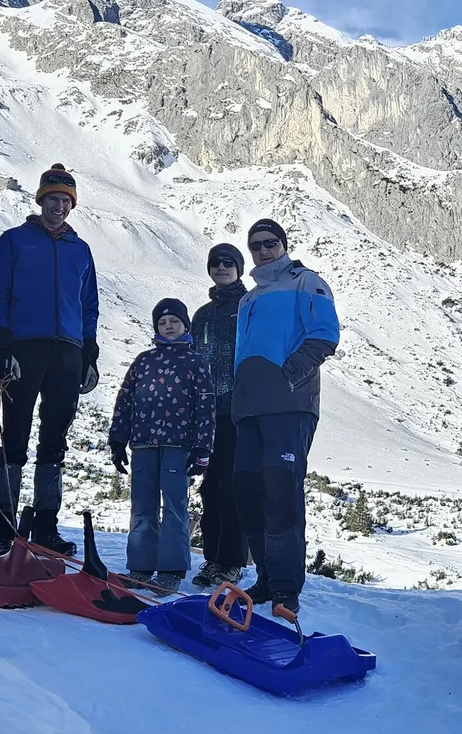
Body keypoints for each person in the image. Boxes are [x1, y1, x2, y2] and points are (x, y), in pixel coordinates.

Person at [0, 162, 99, 556]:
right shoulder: (15, 240)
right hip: (24, 348)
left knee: (54, 442)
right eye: (52, 199)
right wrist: (0, 343)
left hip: (67, 351)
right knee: (15, 437)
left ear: (71, 204)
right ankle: (4, 527)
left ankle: (46, 527)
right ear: (41, 200)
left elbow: (89, 305)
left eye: (65, 200)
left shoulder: (80, 249)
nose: (58, 206)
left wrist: (89, 351)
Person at [231, 218, 339, 624]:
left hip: (289, 405)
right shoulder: (249, 298)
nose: (262, 250)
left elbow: (326, 333)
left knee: (280, 492)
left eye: (270, 243)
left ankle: (286, 587)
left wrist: (290, 374)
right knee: (248, 493)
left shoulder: (306, 282)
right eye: (255, 245)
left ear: (284, 244)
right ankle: (265, 577)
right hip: (248, 408)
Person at [108, 298, 215, 591]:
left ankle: (172, 569)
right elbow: (125, 399)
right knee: (142, 507)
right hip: (142, 444)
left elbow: (206, 406)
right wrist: (118, 438)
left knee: (175, 507)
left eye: (174, 322)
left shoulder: (195, 362)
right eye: (162, 323)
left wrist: (203, 447)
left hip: (178, 446)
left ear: (185, 326)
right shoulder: (144, 360)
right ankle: (140, 566)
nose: (168, 327)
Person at [189, 241, 249, 587]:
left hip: (239, 411)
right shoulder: (203, 315)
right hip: (208, 413)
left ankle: (233, 561)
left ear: (239, 268)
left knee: (233, 486)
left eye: (228, 263)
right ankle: (212, 559)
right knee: (210, 488)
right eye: (216, 264)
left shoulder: (249, 307)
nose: (222, 268)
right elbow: (195, 362)